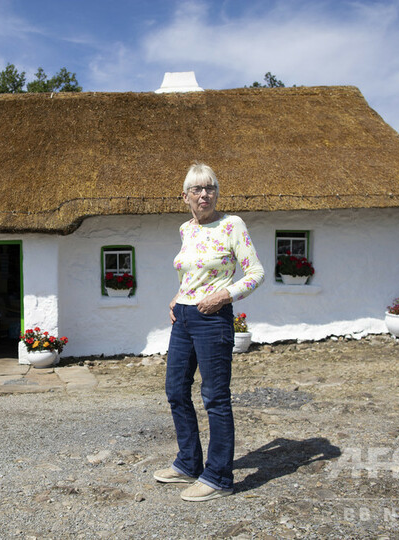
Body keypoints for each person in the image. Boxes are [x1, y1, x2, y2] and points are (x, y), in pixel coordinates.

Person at [154, 162, 265, 501]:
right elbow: (190, 273)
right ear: (185, 196)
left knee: (215, 398)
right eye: (197, 190)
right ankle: (189, 463)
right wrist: (177, 297)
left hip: (213, 318)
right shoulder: (185, 230)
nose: (205, 195)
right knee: (175, 390)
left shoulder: (232, 225)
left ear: (217, 192)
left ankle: (218, 476)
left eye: (211, 188)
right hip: (184, 318)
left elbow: (256, 272)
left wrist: (224, 294)